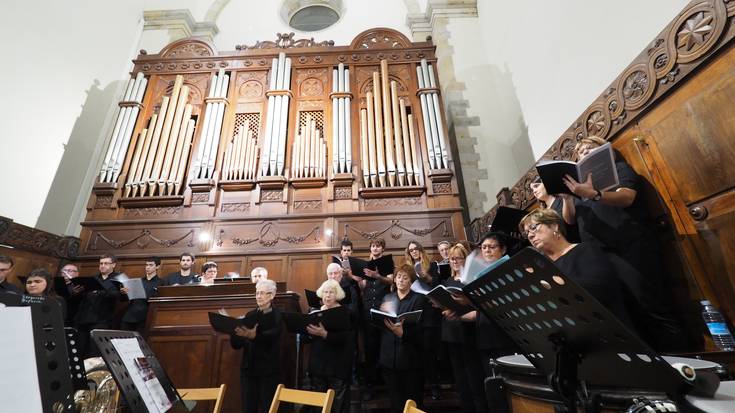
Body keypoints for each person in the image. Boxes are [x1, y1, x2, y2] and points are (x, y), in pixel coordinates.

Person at [520, 209, 686, 351]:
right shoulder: (542, 267)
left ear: (554, 226)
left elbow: (600, 288)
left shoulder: (585, 249)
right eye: (527, 233)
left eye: (534, 227)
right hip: (572, 340)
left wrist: (550, 284)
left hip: (608, 335)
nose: (530, 234)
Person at [441, 244, 489, 413]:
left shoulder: (472, 280)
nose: (454, 261)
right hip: (452, 334)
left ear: (465, 259)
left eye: (458, 258)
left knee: (475, 380)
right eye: (451, 258)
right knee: (461, 382)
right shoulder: (447, 281)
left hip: (469, 334)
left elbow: (479, 305)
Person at [378, 263, 426, 413]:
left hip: (409, 358)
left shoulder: (418, 299)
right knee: (395, 399)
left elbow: (422, 330)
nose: (400, 280)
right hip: (389, 357)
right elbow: (382, 324)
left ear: (411, 281)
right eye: (398, 277)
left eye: (405, 278)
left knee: (412, 400)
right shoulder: (388, 297)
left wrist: (403, 334)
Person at [231, 279, 282, 413]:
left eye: (263, 293)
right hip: (249, 368)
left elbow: (273, 336)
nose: (258, 296)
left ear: (272, 295)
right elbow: (237, 345)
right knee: (248, 407)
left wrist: (254, 337)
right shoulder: (250, 315)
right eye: (257, 293)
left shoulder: (278, 315)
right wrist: (233, 331)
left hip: (268, 370)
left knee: (268, 408)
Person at [304, 279, 354, 413]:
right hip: (318, 366)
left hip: (337, 367)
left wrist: (325, 334)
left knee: (336, 406)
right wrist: (308, 332)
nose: (327, 295)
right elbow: (308, 339)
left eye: (331, 292)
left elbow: (347, 339)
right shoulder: (314, 313)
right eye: (325, 292)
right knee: (319, 406)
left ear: (337, 295)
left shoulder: (345, 312)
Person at [475, 233, 519, 372]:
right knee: (491, 379)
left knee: (508, 377)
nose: (487, 250)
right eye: (484, 247)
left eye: (492, 247)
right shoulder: (478, 273)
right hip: (485, 335)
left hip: (505, 334)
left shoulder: (510, 269)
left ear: (503, 249)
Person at [404, 240, 442, 399]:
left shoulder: (431, 265)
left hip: (429, 313)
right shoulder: (408, 269)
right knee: (415, 351)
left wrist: (425, 277)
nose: (413, 252)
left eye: (416, 249)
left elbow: (438, 285)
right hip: (413, 311)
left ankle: (434, 385)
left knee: (429, 350)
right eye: (410, 250)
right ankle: (419, 385)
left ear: (421, 250)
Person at [358, 238, 394, 400]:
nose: (375, 248)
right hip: (367, 309)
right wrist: (358, 279)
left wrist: (378, 276)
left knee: (385, 344)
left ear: (383, 248)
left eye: (378, 246)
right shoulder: (364, 265)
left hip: (383, 308)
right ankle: (370, 384)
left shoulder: (387, 263)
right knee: (369, 346)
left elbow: (391, 281)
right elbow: (364, 287)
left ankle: (387, 383)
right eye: (373, 246)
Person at [74, 254, 122, 357]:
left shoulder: (118, 278)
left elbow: (118, 294)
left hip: (102, 319)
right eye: (101, 263)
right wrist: (79, 291)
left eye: (106, 263)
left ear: (113, 265)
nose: (102, 266)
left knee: (94, 350)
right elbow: (84, 295)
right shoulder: (93, 278)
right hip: (84, 317)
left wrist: (98, 291)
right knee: (79, 348)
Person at [530, 178, 579, 242]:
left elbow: (571, 221)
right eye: (532, 189)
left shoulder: (564, 199)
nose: (534, 191)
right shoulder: (542, 212)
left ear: (546, 183)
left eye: (536, 186)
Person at [120, 257, 161, 332]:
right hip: (129, 315)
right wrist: (124, 293)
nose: (147, 267)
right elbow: (125, 299)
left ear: (157, 267)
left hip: (145, 317)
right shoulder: (138, 281)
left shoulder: (161, 282)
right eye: (146, 265)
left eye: (151, 265)